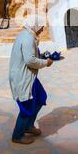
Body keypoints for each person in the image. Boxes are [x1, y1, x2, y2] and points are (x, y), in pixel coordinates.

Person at [8, 14, 53, 144]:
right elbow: (29, 60)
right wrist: (46, 63)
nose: (42, 30)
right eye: (41, 27)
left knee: (40, 98)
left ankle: (28, 126)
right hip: (23, 78)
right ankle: (17, 135)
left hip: (29, 77)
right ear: (35, 25)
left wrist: (43, 56)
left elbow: (31, 55)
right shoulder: (28, 38)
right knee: (26, 107)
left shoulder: (28, 35)